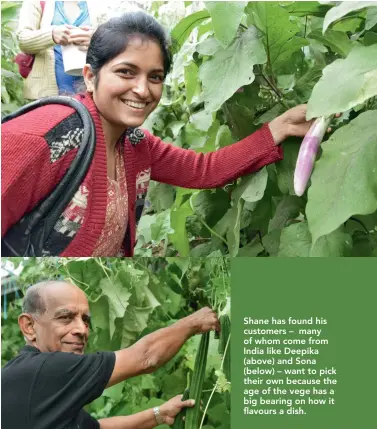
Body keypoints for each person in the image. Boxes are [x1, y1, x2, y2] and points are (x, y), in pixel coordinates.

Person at [2, 11, 316, 257]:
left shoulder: (136, 145)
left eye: (155, 77)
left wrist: (281, 126)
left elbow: (203, 170)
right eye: (126, 71)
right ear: (90, 76)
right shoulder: (46, 135)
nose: (142, 89)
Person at [1, 280, 219, 429]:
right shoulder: (45, 370)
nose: (82, 329)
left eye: (85, 320)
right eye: (65, 317)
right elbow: (145, 358)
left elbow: (97, 428)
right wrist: (194, 323)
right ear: (29, 326)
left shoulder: (36, 385)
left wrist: (159, 414)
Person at [16, 0, 108, 99]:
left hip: (92, 88)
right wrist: (51, 35)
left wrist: (96, 39)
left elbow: (118, 41)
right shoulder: (37, 2)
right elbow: (23, 40)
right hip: (47, 92)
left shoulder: (104, 4)